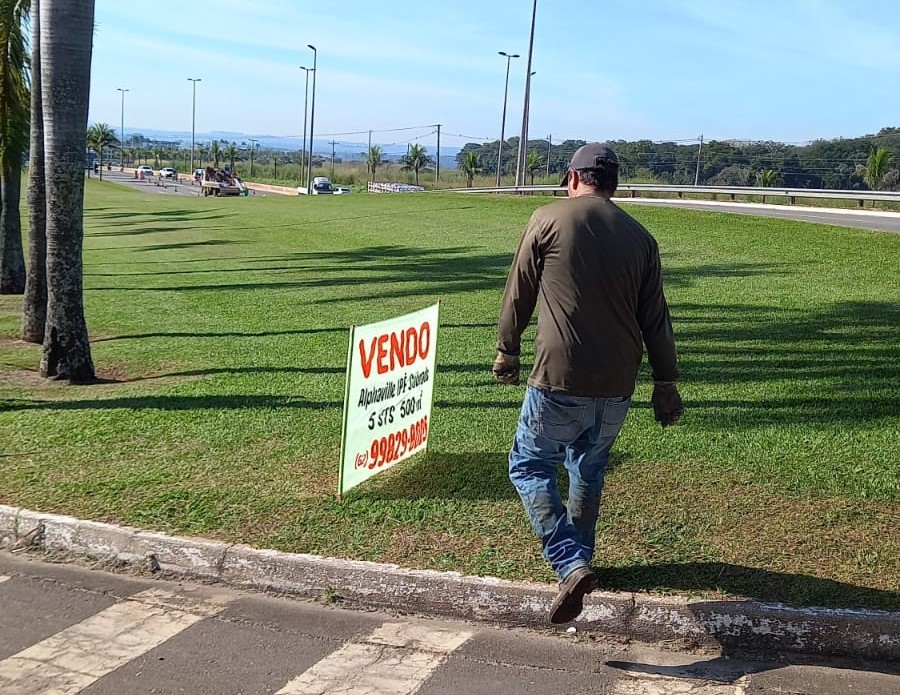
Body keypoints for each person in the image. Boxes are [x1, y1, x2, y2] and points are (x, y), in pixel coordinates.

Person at [492, 142, 683, 624]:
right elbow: (655, 318)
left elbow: (520, 289)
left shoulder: (547, 219)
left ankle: (569, 562)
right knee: (588, 468)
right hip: (619, 381)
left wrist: (507, 351)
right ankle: (582, 563)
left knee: (529, 464)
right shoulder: (640, 237)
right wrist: (666, 382)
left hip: (559, 376)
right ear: (614, 184)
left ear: (573, 179)